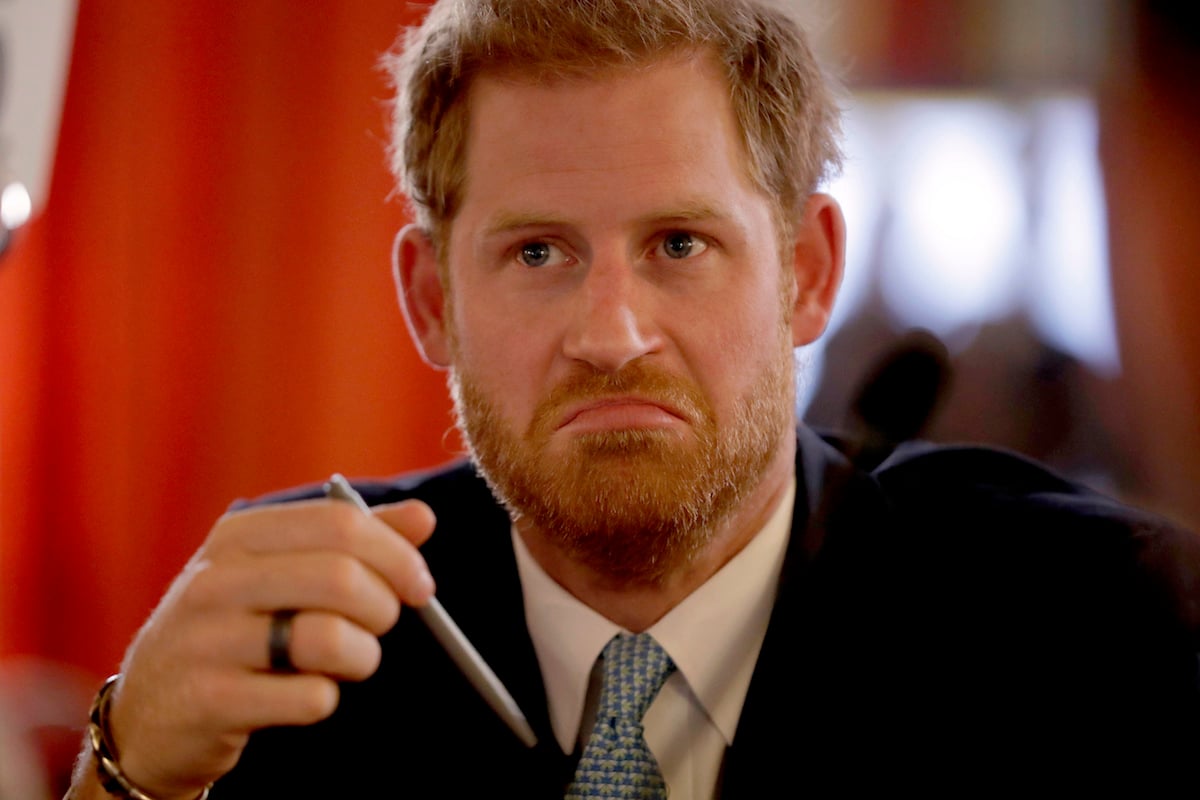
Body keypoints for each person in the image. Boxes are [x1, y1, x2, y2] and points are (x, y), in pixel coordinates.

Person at [68, 1, 1200, 797]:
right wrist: (128, 773)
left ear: (806, 272)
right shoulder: (303, 643)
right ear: (430, 301)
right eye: (539, 255)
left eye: (678, 242)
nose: (611, 335)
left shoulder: (1102, 630)